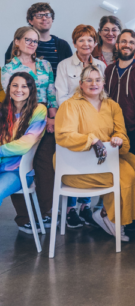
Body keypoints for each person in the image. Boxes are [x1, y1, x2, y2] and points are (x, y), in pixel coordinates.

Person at [54, 65, 135, 241]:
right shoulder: (70, 105)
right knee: (127, 176)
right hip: (76, 164)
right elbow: (64, 135)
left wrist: (118, 139)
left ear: (103, 83)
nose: (94, 84)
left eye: (98, 80)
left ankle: (119, 216)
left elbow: (121, 132)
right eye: (89, 80)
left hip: (106, 156)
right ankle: (109, 216)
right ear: (81, 84)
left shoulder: (112, 105)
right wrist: (91, 140)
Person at [1, 26, 58, 234]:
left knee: (45, 166)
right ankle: (24, 217)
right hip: (19, 117)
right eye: (27, 39)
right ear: (17, 41)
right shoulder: (8, 68)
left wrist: (52, 117)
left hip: (42, 115)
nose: (32, 43)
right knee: (15, 164)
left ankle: (44, 212)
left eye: (35, 41)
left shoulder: (44, 64)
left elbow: (51, 92)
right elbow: (12, 96)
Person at [54, 24, 107, 227]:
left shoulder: (101, 66)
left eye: (90, 40)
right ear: (75, 43)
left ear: (95, 43)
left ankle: (85, 207)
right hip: (71, 121)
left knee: (90, 162)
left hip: (94, 121)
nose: (86, 43)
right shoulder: (65, 65)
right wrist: (81, 109)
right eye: (81, 40)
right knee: (73, 162)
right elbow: (61, 96)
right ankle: (69, 209)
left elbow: (102, 94)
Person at [104, 29, 135, 165]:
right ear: (117, 45)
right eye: (123, 41)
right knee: (114, 168)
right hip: (112, 129)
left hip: (134, 129)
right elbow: (104, 98)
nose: (127, 45)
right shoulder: (109, 70)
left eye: (131, 42)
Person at [0, 73, 46, 209]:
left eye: (24, 86)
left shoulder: (38, 110)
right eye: (14, 85)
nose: (18, 89)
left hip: (17, 171)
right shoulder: (2, 111)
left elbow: (24, 145)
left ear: (31, 90)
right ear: (9, 88)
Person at [4, 2, 72, 75]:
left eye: (47, 15)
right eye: (39, 16)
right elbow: (8, 70)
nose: (44, 18)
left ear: (52, 19)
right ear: (30, 21)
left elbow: (70, 72)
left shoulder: (63, 45)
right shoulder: (20, 44)